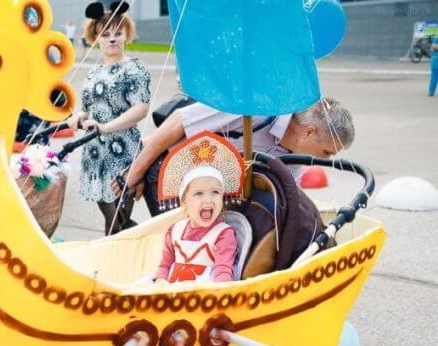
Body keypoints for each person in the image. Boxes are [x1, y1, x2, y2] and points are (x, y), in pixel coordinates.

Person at [119, 98, 356, 217]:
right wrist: (135, 174)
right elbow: (178, 121)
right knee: (181, 243)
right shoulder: (256, 108)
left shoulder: (293, 159)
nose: (325, 160)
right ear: (309, 132)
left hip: (209, 189)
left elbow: (289, 203)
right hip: (167, 167)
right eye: (327, 152)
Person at [66, 2, 150, 234]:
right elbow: (89, 109)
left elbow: (141, 108)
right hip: (95, 154)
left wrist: (105, 127)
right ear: (95, 38)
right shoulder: (93, 73)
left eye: (118, 33)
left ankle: (121, 251)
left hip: (122, 153)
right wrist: (78, 117)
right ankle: (132, 243)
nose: (112, 38)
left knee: (115, 222)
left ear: (126, 35)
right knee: (111, 220)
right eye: (105, 34)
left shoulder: (134, 68)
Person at [154, 167, 237, 283]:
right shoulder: (174, 230)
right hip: (172, 290)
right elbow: (164, 266)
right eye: (199, 193)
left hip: (205, 291)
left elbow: (223, 271)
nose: (208, 200)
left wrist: (219, 290)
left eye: (215, 192)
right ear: (184, 201)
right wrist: (160, 282)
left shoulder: (223, 233)